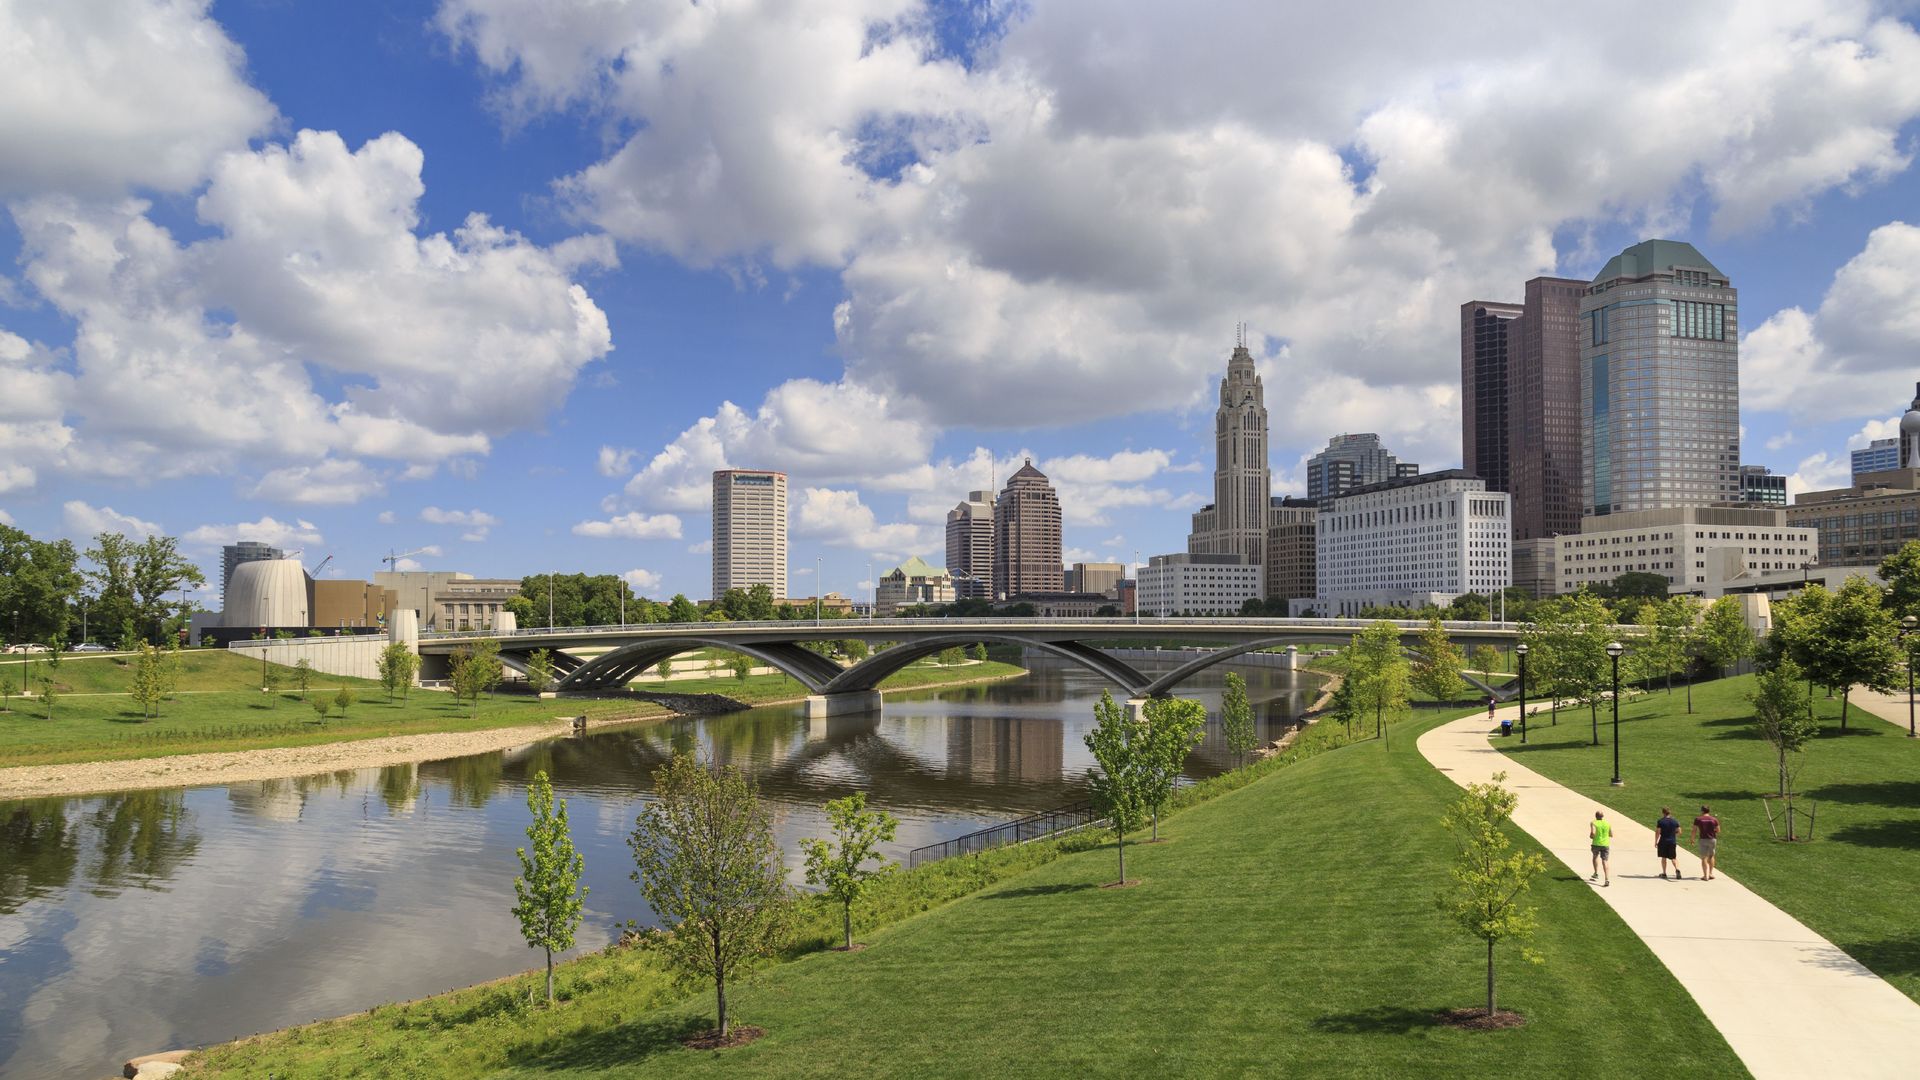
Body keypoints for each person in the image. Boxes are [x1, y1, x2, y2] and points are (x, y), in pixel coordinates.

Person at [1691, 804, 1720, 880]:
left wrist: (1692, 839)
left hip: (1703, 839)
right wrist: (1711, 831)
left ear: (1702, 811)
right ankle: (1710, 873)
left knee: (1704, 858)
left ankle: (1705, 875)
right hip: (1712, 839)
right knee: (1711, 856)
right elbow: (1718, 830)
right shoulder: (1714, 819)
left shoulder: (1698, 819)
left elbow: (1694, 830)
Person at [1654, 806, 1682, 879]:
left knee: (1664, 857)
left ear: (1663, 813)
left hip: (1663, 841)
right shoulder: (1675, 821)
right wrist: (1673, 834)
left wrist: (1656, 841)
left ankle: (1664, 873)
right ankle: (1677, 869)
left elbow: (1658, 832)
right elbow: (1679, 832)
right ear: (1670, 812)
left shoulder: (1660, 821)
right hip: (1672, 841)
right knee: (1673, 857)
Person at [1588, 810, 1612, 886]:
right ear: (1603, 816)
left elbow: (1593, 833)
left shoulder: (1593, 823)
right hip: (1605, 844)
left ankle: (1596, 873)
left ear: (1596, 816)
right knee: (1605, 861)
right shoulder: (1607, 823)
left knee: (1595, 857)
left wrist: (1591, 836)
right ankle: (1607, 879)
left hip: (1596, 843)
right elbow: (1611, 834)